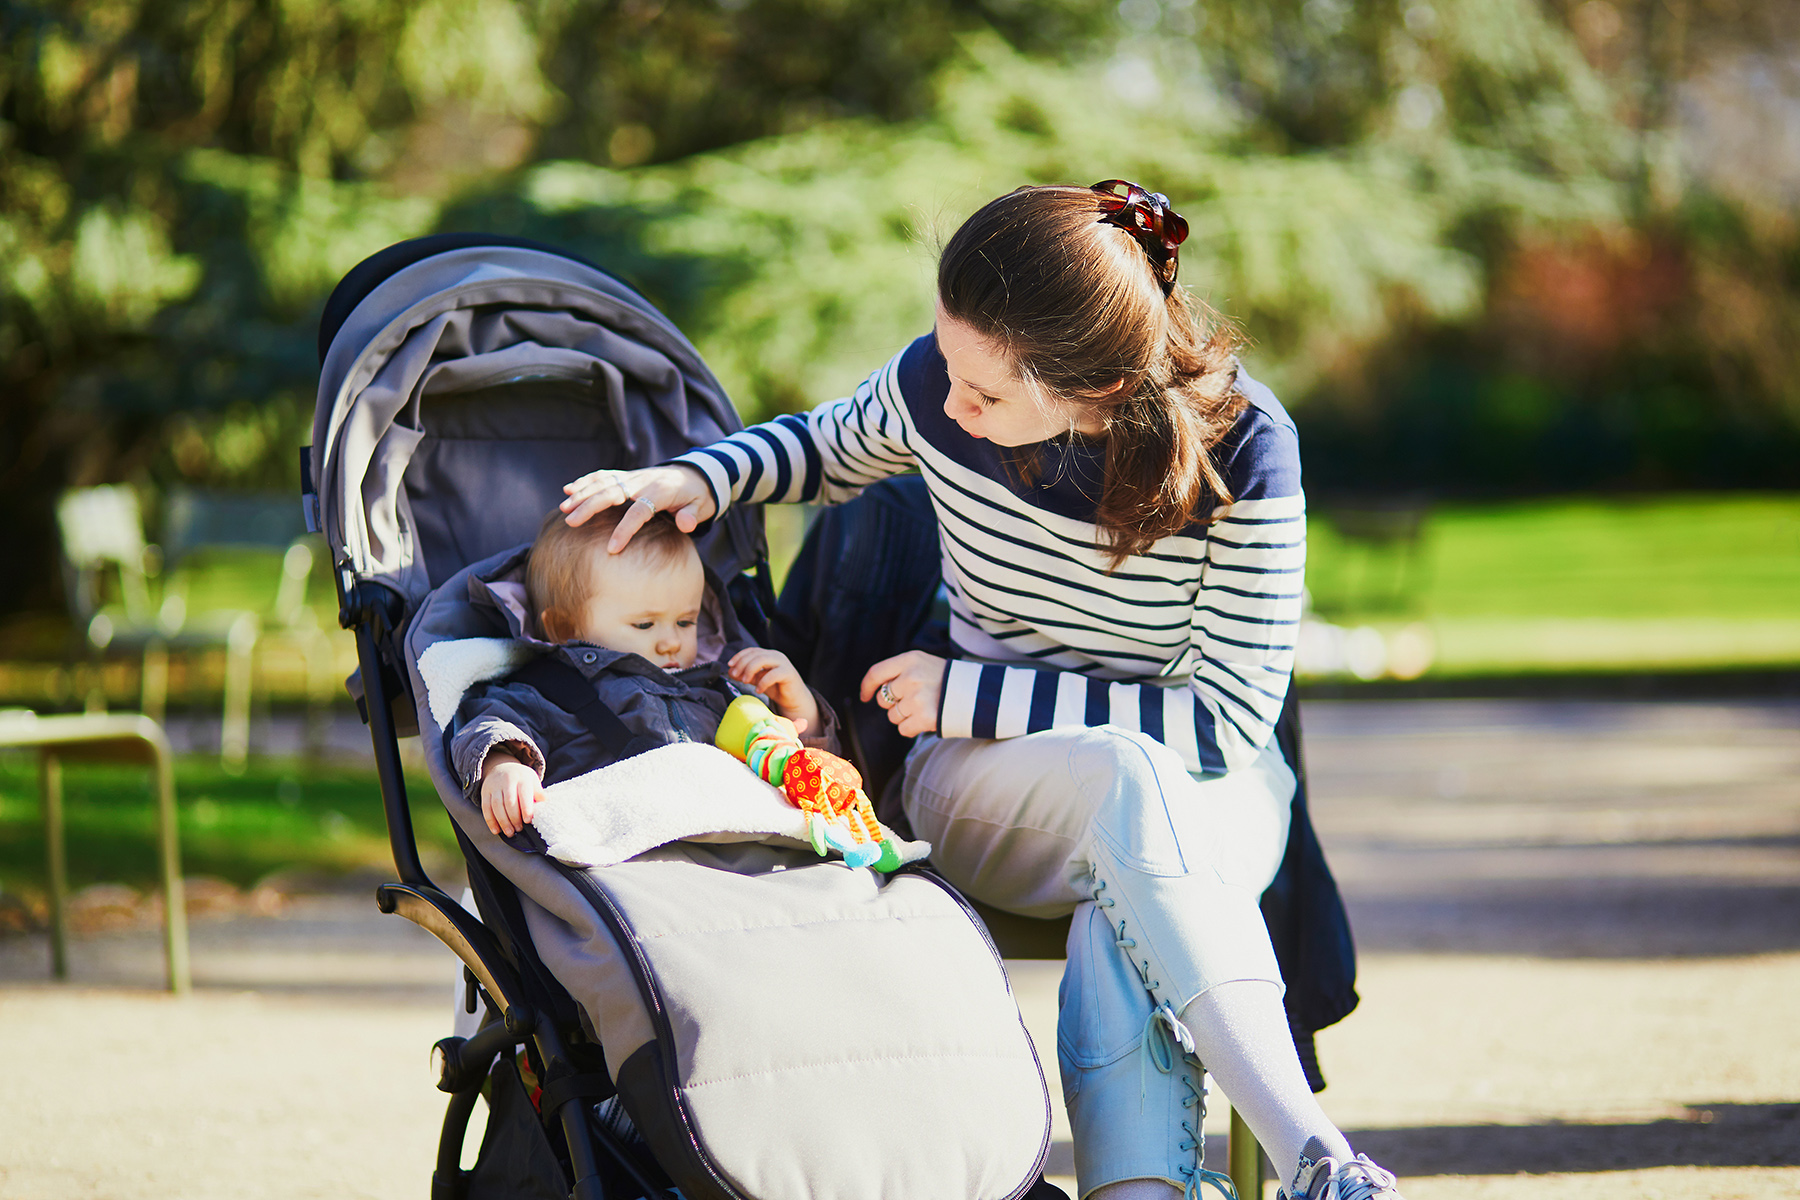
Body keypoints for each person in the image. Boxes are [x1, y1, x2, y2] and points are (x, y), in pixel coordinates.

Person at [560, 181, 1403, 1200]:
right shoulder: (935, 389)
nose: (946, 410)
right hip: (991, 790)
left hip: (1204, 789)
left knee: (1126, 859)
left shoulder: (1250, 451)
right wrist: (704, 478)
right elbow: (827, 446)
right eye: (945, 365)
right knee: (1127, 803)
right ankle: (1316, 1155)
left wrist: (970, 695)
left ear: (1092, 384)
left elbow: (1222, 726)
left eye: (986, 394)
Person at [451, 505, 834, 839]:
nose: (670, 642)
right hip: (623, 859)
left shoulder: (719, 689)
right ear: (566, 629)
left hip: (733, 848)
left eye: (686, 622)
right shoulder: (552, 690)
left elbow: (803, 772)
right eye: (646, 626)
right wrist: (503, 767)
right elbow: (491, 723)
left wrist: (799, 708)